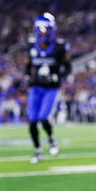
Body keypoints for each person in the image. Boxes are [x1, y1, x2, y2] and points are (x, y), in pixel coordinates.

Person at [25, 13, 71, 164]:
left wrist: (58, 76)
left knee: (44, 118)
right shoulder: (31, 45)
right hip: (36, 87)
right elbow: (28, 65)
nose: (43, 32)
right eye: (41, 29)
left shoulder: (59, 47)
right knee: (32, 121)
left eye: (46, 29)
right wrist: (27, 77)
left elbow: (67, 68)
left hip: (51, 88)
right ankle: (38, 150)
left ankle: (51, 139)